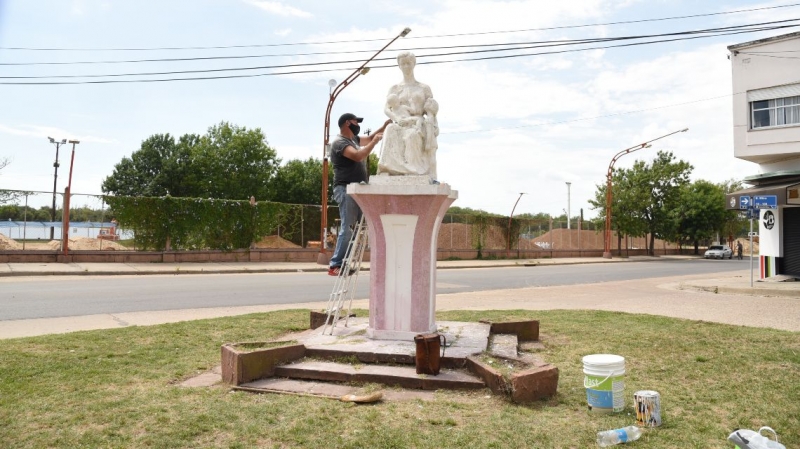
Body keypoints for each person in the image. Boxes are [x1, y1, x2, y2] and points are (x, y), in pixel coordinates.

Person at [328, 112, 389, 276]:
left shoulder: (352, 140)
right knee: (347, 227)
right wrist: (375, 143)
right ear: (348, 123)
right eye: (356, 122)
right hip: (345, 189)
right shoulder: (339, 143)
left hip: (357, 190)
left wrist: (384, 127)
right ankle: (335, 265)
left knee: (357, 227)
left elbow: (368, 139)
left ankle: (345, 262)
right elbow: (358, 155)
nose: (358, 125)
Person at [377, 51, 439, 179]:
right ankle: (387, 167)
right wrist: (397, 118)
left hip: (418, 123)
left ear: (414, 64)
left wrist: (434, 125)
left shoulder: (423, 88)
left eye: (408, 63)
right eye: (403, 64)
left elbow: (431, 109)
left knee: (412, 136)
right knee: (390, 129)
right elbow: (386, 108)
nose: (406, 66)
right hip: (401, 122)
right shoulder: (394, 88)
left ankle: (415, 170)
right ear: (399, 66)